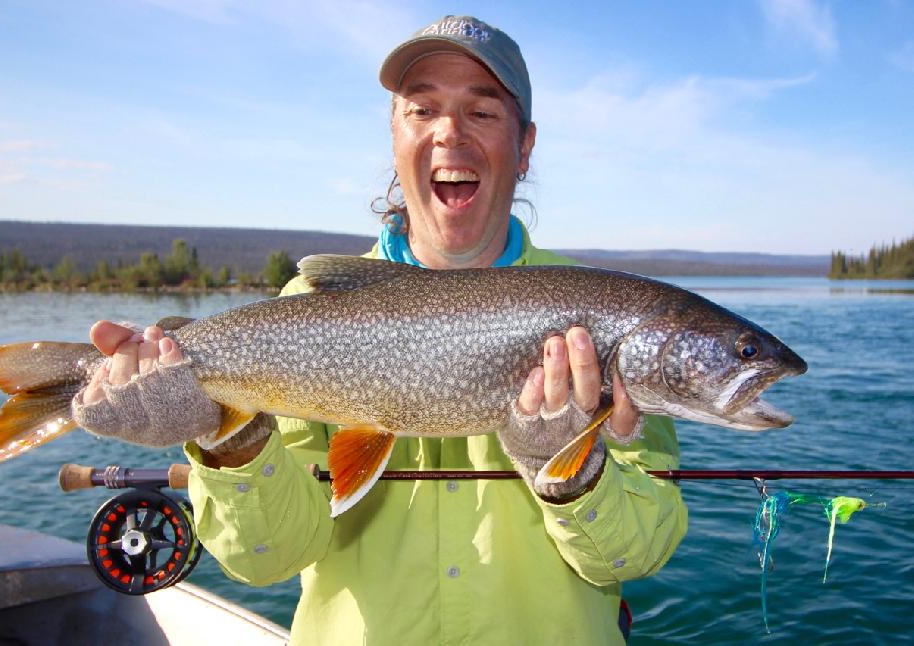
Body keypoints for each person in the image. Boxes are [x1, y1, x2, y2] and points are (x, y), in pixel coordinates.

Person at [74, 16, 687, 645]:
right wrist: (233, 443)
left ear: (524, 145)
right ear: (394, 137)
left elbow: (635, 556)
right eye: (422, 110)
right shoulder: (306, 308)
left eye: (482, 112)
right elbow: (264, 559)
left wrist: (571, 472)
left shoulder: (599, 316)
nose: (450, 132)